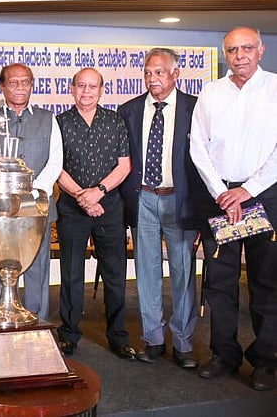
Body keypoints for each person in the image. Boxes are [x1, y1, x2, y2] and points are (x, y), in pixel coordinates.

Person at [190, 26, 277, 391]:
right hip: (219, 198)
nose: (239, 55)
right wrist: (222, 192)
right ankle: (225, 353)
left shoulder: (275, 88)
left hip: (264, 197)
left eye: (246, 48)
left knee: (265, 281)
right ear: (225, 54)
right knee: (220, 281)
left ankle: (266, 359)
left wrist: (247, 190)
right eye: (232, 50)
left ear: (260, 50)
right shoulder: (211, 92)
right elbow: (198, 146)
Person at [117, 48, 203, 368]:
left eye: (159, 72)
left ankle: (183, 343)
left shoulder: (195, 108)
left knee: (183, 272)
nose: (152, 78)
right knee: (147, 272)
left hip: (180, 200)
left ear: (175, 74)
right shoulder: (129, 110)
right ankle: (153, 339)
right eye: (148, 72)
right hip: (143, 198)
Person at [55, 67, 137, 360]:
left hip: (109, 207)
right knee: (71, 274)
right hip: (72, 208)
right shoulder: (59, 123)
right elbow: (56, 167)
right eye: (81, 86)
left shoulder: (115, 121)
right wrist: (83, 196)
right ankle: (68, 335)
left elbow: (124, 165)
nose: (87, 91)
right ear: (72, 88)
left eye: (93, 86)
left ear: (101, 90)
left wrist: (98, 192)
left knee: (115, 274)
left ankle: (118, 336)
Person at [0, 63, 62, 321]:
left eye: (25, 82)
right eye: (13, 82)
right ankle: (1, 322)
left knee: (37, 268)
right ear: (2, 87)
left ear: (32, 86)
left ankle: (37, 325)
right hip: (0, 210)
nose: (20, 87)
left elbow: (55, 161)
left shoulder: (48, 119)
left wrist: (30, 193)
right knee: (1, 265)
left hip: (37, 208)